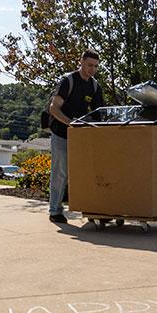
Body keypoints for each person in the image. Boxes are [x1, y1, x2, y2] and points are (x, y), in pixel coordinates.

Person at [46, 50, 104, 223]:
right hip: (61, 133)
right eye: (89, 65)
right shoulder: (68, 81)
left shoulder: (94, 86)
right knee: (60, 172)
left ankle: (90, 209)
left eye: (95, 66)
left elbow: (99, 114)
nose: (92, 69)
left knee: (84, 173)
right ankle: (55, 211)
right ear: (81, 62)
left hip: (81, 136)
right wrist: (70, 123)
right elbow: (53, 108)